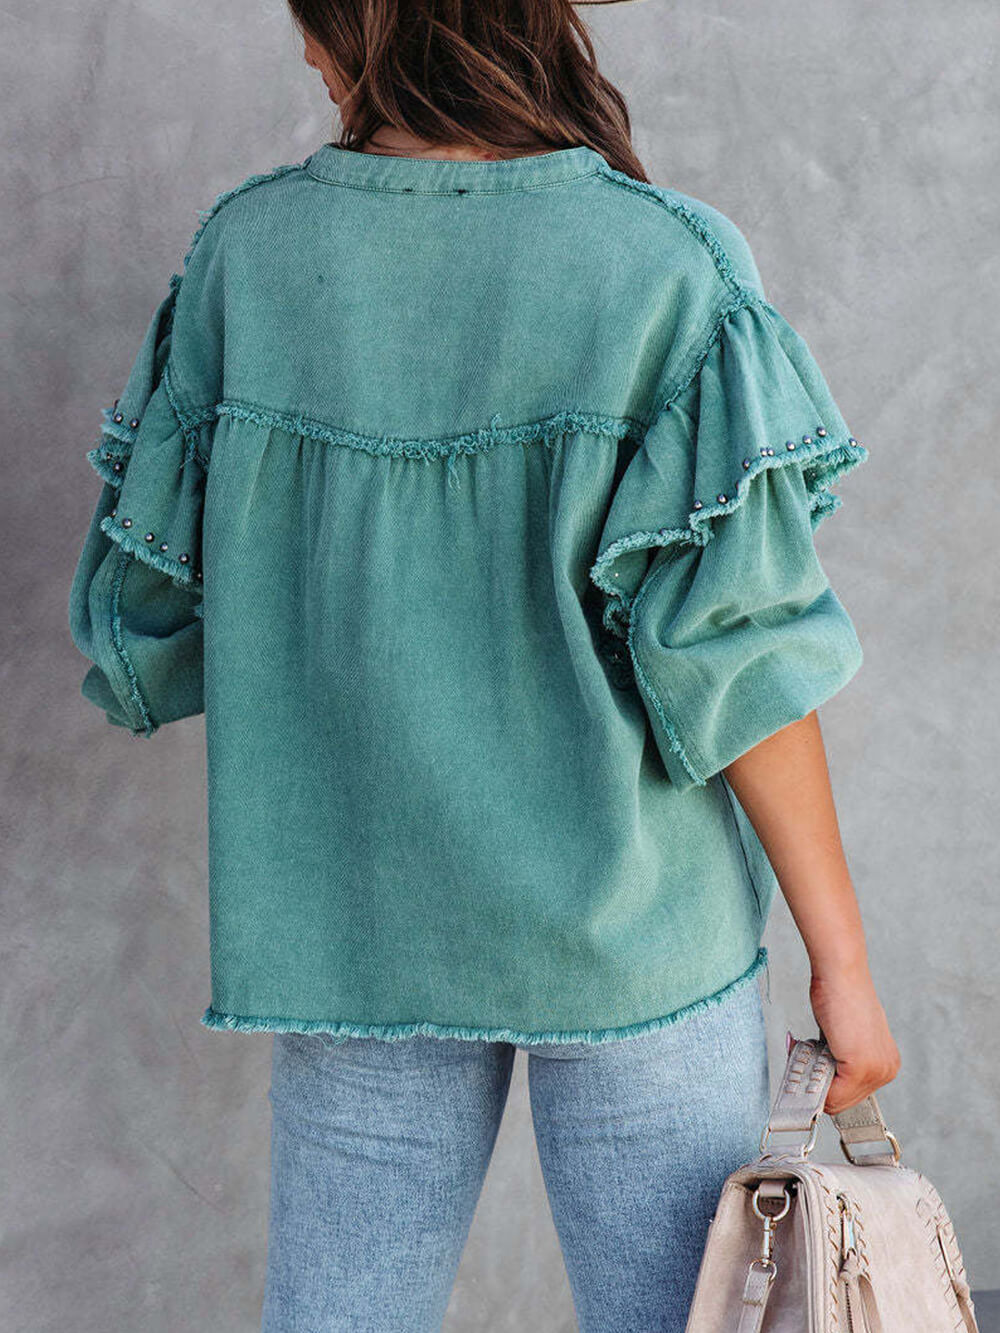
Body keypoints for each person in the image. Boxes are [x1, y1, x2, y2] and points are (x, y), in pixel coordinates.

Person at [67, 1, 901, 1328]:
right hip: (635, 934)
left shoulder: (248, 258)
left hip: (355, 925)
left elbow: (153, 606)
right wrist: (841, 966)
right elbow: (738, 663)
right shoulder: (665, 264)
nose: (300, 48)